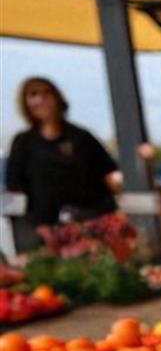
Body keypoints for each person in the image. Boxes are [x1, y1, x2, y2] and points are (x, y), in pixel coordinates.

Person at [5, 78, 121, 242]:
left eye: (46, 93)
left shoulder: (81, 137)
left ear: (58, 97)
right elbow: (14, 189)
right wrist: (33, 229)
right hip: (42, 233)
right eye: (33, 94)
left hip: (87, 228)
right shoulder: (23, 142)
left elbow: (109, 174)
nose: (41, 100)